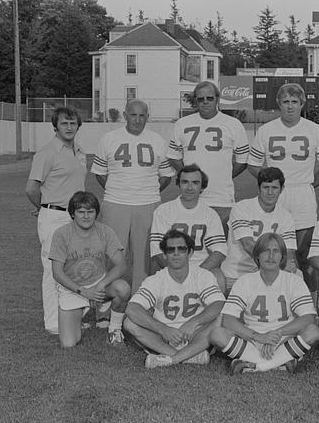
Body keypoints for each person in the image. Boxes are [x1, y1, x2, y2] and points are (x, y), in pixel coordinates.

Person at [159, 233, 319, 374]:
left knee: (313, 331)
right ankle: (280, 363)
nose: (270, 256)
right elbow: (228, 319)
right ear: (257, 256)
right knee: (217, 334)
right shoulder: (245, 281)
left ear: (282, 257)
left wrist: (276, 334)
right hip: (252, 340)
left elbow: (308, 318)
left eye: (275, 251)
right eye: (265, 251)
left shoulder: (293, 280)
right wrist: (259, 337)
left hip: (283, 339)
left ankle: (259, 366)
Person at [247, 82, 319, 288]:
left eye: (294, 101)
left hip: (302, 193)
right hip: (276, 197)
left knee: (305, 255)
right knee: (273, 251)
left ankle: (310, 302)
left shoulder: (314, 129)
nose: (290, 106)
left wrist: (311, 183)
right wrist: (270, 184)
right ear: (278, 103)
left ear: (302, 103)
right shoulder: (266, 130)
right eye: (285, 101)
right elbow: (253, 164)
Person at [91, 100, 174, 292]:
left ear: (147, 117)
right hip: (115, 203)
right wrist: (119, 190)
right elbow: (100, 173)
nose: (137, 120)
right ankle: (106, 304)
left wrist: (147, 190)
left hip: (148, 203)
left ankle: (141, 301)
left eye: (142, 115)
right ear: (125, 115)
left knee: (145, 257)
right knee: (112, 254)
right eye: (133, 115)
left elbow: (167, 176)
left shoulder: (157, 140)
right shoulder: (109, 138)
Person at [25, 105, 87, 335]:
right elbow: (31, 188)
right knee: (53, 270)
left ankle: (71, 317)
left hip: (77, 218)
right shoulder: (48, 152)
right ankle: (53, 322)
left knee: (74, 269)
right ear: (55, 126)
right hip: (54, 217)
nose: (69, 127)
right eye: (64, 123)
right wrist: (42, 207)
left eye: (73, 123)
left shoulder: (79, 151)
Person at [124, 229, 225, 368]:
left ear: (190, 253)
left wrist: (193, 322)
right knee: (130, 323)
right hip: (165, 338)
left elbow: (219, 304)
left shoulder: (203, 275)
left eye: (181, 249)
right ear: (164, 255)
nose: (176, 253)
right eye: (171, 250)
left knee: (221, 318)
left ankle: (171, 359)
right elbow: (132, 309)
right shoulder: (156, 279)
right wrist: (163, 329)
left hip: (195, 334)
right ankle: (190, 356)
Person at [48, 191, 131, 347]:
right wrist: (84, 292)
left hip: (99, 285)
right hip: (73, 289)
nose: (86, 216)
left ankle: (114, 331)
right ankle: (80, 311)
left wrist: (100, 285)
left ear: (96, 213)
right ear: (73, 214)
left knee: (123, 288)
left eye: (90, 211)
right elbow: (57, 273)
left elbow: (121, 265)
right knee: (69, 343)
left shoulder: (105, 231)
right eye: (81, 212)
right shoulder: (61, 234)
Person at [167, 80, 249, 232]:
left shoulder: (233, 124)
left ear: (217, 99)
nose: (205, 102)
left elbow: (243, 160)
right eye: (200, 99)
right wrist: (189, 176)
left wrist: (225, 175)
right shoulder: (182, 124)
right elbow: (173, 156)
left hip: (222, 198)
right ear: (196, 101)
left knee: (219, 249)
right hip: (191, 198)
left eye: (209, 98)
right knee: (191, 248)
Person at [149, 164, 227, 293]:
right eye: (185, 182)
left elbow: (219, 251)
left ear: (202, 187)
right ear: (178, 184)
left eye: (195, 183)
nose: (190, 187)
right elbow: (157, 251)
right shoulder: (163, 211)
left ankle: (217, 313)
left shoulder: (210, 214)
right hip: (172, 264)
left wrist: (197, 274)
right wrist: (176, 271)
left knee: (218, 278)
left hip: (201, 266)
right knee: (154, 274)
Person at [221, 166, 297, 291]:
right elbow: (248, 245)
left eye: (274, 188)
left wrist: (286, 266)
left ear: (282, 189)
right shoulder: (241, 208)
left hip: (269, 274)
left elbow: (288, 252)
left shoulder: (286, 216)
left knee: (297, 275)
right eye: (266, 187)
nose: (270, 192)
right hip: (236, 275)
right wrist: (274, 265)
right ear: (258, 188)